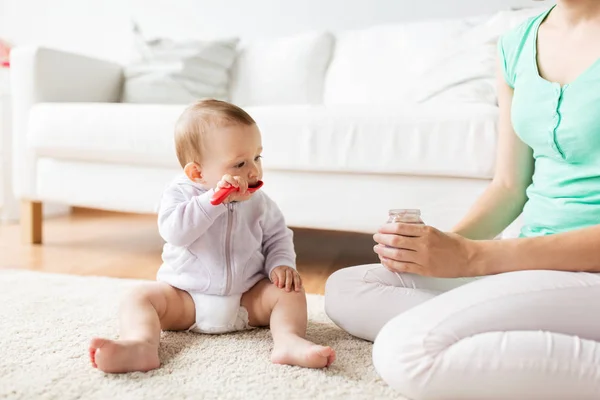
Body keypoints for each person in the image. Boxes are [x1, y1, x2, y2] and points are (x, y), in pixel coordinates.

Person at [324, 2, 600, 398]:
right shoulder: (516, 44)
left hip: (586, 273)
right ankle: (530, 330)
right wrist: (440, 248)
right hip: (528, 264)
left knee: (409, 351)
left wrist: (474, 257)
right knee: (349, 287)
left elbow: (479, 255)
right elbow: (509, 186)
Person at [89, 99, 335, 373]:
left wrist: (281, 264)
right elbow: (176, 232)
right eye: (239, 163)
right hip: (186, 299)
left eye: (257, 157)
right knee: (138, 297)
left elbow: (277, 236)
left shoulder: (260, 202)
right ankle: (141, 345)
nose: (253, 170)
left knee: (290, 292)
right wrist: (212, 201)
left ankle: (288, 340)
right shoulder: (179, 194)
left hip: (247, 300)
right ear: (197, 172)